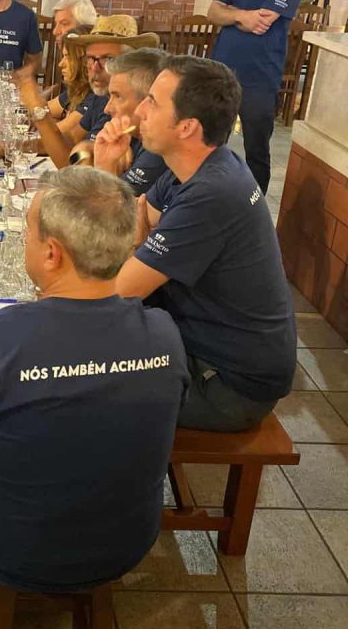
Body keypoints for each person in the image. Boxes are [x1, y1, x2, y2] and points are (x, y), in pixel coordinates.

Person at [0, 166, 189, 629]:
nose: (25, 243)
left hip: (11, 552)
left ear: (52, 253)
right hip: (128, 543)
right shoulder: (165, 335)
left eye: (29, 235)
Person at [116, 55, 297, 431]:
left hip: (229, 384)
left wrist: (138, 245)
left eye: (152, 101)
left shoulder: (213, 191)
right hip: (198, 343)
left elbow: (120, 291)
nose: (141, 110)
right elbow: (134, 215)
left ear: (186, 127)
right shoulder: (197, 166)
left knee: (71, 384)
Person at [208, 0, 304, 193]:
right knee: (209, 141)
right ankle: (206, 197)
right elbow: (213, 11)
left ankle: (254, 208)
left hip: (259, 75)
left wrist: (232, 15)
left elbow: (263, 20)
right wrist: (240, 16)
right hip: (222, 70)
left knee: (256, 148)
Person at [17, 16, 159, 168]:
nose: (94, 68)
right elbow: (72, 140)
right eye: (91, 58)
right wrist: (18, 146)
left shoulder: (125, 105)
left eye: (108, 59)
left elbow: (75, 167)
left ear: (131, 63)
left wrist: (39, 111)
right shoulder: (100, 96)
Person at [91, 48, 168, 195]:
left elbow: (113, 211)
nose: (107, 108)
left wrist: (105, 165)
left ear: (148, 101)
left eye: (117, 96)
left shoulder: (158, 148)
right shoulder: (131, 134)